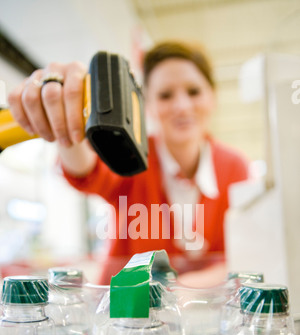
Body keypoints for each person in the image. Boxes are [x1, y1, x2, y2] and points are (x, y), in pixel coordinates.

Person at [8, 40, 249, 286]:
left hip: (205, 315)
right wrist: (66, 121)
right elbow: (84, 169)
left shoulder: (235, 167)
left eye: (194, 92)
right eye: (165, 95)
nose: (182, 106)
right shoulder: (129, 150)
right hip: (123, 315)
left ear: (213, 97)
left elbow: (244, 257)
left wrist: (181, 292)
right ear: (149, 106)